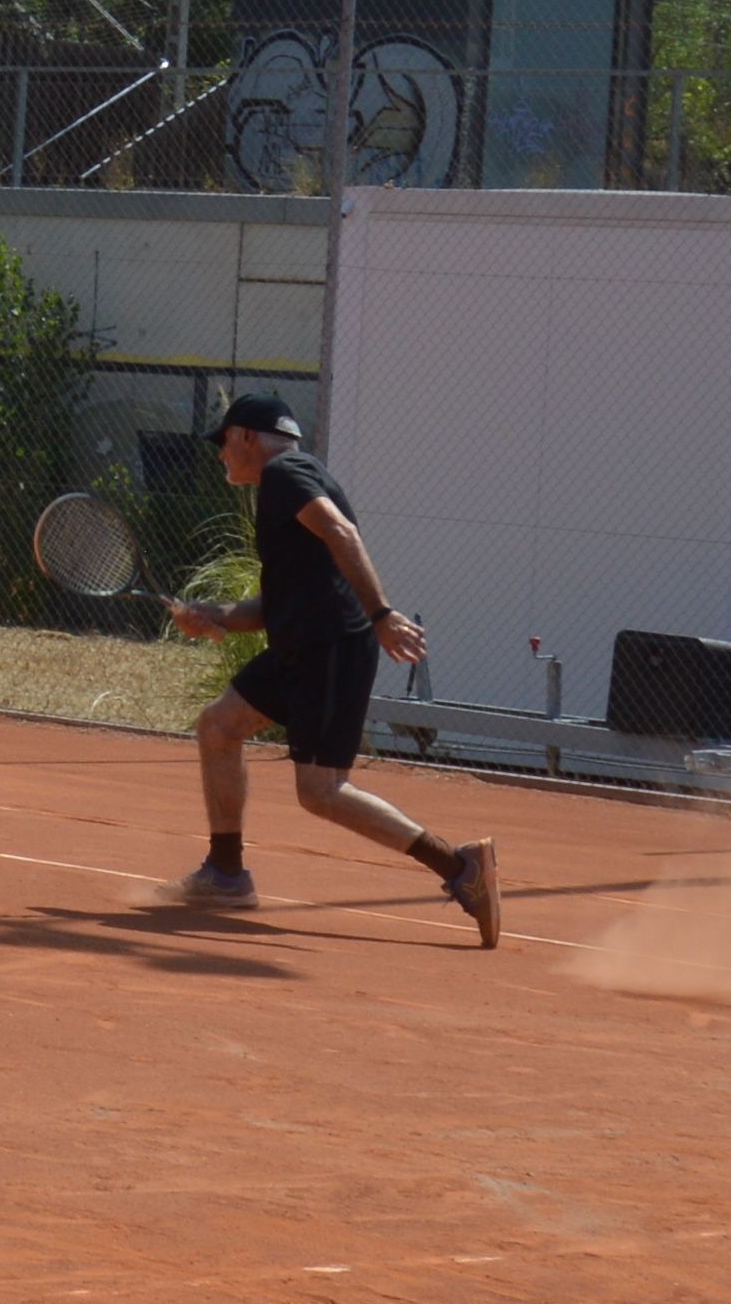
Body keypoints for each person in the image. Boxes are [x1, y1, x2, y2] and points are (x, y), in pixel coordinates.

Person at [167, 389, 493, 941]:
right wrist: (213, 614)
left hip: (329, 649)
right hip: (301, 646)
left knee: (321, 792)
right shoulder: (288, 484)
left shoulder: (285, 474)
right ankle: (225, 872)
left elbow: (342, 532)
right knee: (218, 727)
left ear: (247, 437)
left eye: (224, 442)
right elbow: (278, 607)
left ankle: (461, 868)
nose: (221, 454)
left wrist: (382, 613)